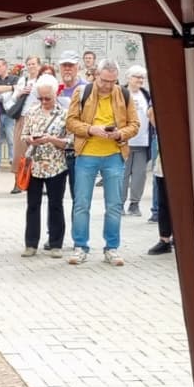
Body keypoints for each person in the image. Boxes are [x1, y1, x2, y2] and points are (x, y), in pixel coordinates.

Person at [65, 58, 139, 267]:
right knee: (81, 203)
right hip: (86, 153)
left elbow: (135, 124)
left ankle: (112, 247)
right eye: (105, 80)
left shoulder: (123, 94)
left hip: (114, 155)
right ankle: (80, 246)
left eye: (112, 81)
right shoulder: (82, 92)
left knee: (114, 204)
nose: (108, 85)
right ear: (96, 75)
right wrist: (90, 129)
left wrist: (119, 133)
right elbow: (70, 122)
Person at [20, 75, 70, 257]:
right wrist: (30, 139)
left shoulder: (64, 113)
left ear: (56, 93)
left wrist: (51, 139)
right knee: (32, 205)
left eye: (47, 98)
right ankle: (31, 244)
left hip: (56, 165)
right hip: (35, 164)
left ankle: (56, 244)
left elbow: (70, 141)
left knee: (56, 205)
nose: (44, 101)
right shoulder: (32, 112)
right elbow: (23, 134)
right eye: (40, 98)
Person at [122, 66, 153, 217]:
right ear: (128, 78)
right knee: (122, 174)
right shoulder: (120, 92)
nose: (140, 80)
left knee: (140, 175)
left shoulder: (146, 95)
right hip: (124, 142)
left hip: (142, 141)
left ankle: (134, 204)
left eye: (142, 77)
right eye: (136, 77)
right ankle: (118, 203)